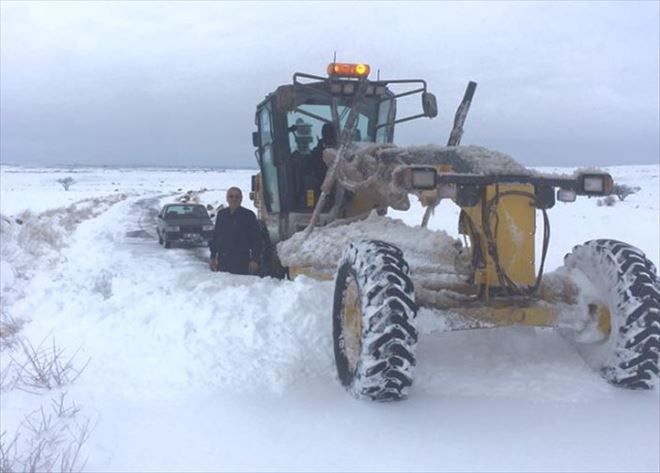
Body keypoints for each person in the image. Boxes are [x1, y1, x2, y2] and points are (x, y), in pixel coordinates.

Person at [209, 187, 262, 275]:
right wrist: (213, 256)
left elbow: (256, 239)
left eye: (237, 197)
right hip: (223, 261)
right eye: (231, 196)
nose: (234, 199)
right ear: (227, 199)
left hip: (242, 262)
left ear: (241, 199)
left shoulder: (248, 215)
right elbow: (216, 236)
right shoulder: (221, 215)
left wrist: (255, 260)